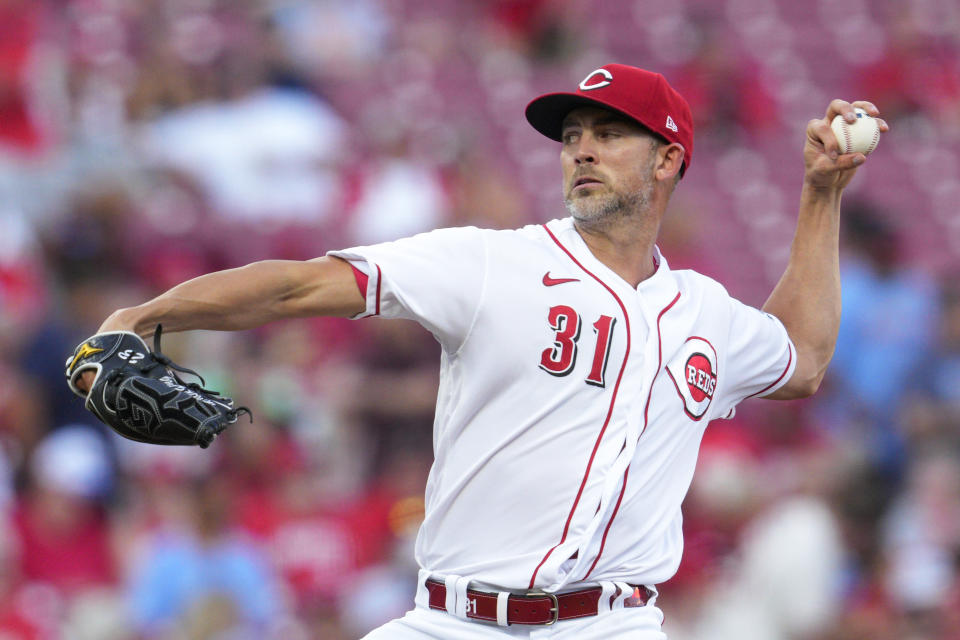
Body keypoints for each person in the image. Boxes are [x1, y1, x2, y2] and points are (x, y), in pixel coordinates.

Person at [74, 64, 887, 638]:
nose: (582, 150)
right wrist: (145, 311)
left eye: (610, 133)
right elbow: (299, 285)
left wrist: (821, 197)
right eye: (573, 135)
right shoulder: (492, 262)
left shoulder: (704, 311)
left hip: (615, 625)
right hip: (451, 620)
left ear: (670, 159)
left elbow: (802, 357)